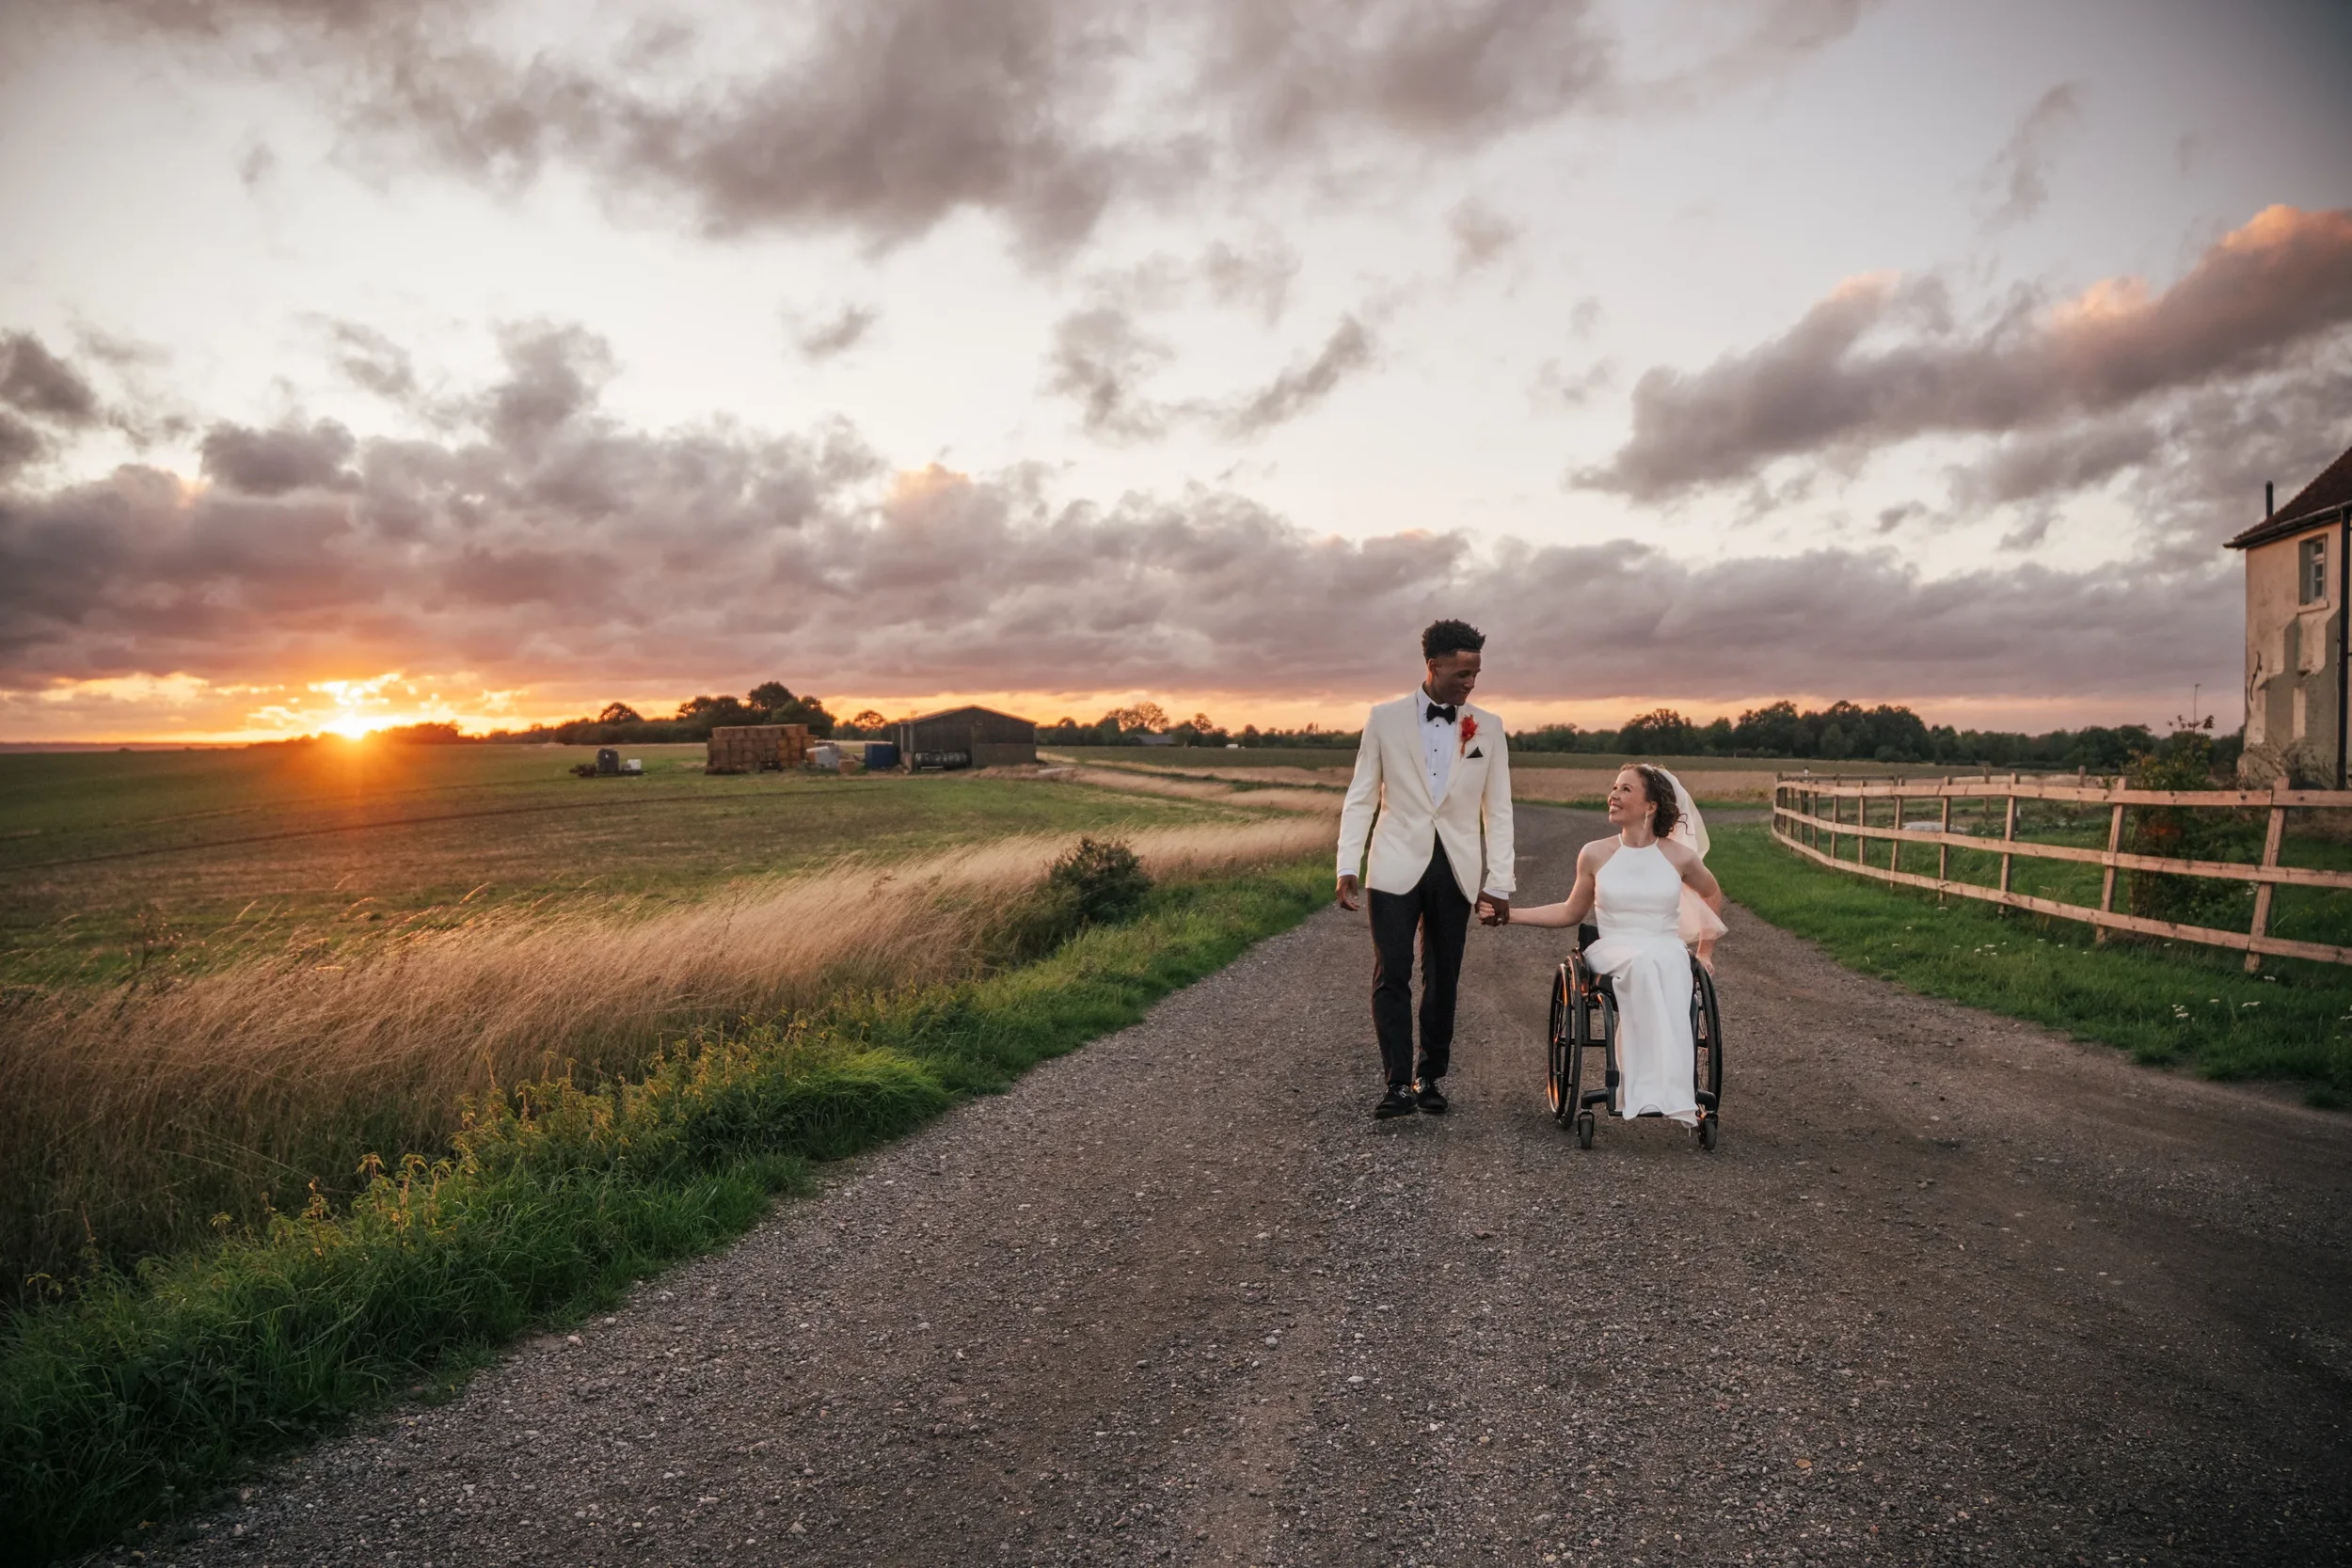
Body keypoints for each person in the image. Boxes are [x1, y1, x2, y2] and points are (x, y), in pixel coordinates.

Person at [1335, 620, 1517, 1119]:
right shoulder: (1383, 719)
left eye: (1476, 673)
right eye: (1462, 673)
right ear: (1432, 667)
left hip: (1455, 867)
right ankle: (1396, 1084)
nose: (1471, 683)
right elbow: (1361, 795)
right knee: (1390, 972)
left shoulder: (1490, 726)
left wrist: (1499, 882)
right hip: (1393, 863)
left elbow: (1497, 810)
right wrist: (1347, 862)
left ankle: (1430, 1076)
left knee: (1443, 976)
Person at [1483, 765, 1725, 1125]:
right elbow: (1570, 911)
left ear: (1651, 806)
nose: (1613, 795)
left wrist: (1704, 951)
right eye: (1614, 788)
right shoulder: (1595, 854)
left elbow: (1712, 894)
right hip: (1612, 950)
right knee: (1646, 965)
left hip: (1664, 946)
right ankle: (1641, 1088)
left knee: (1668, 961)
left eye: (1626, 789)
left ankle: (1665, 1087)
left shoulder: (1679, 856)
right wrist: (1509, 915)